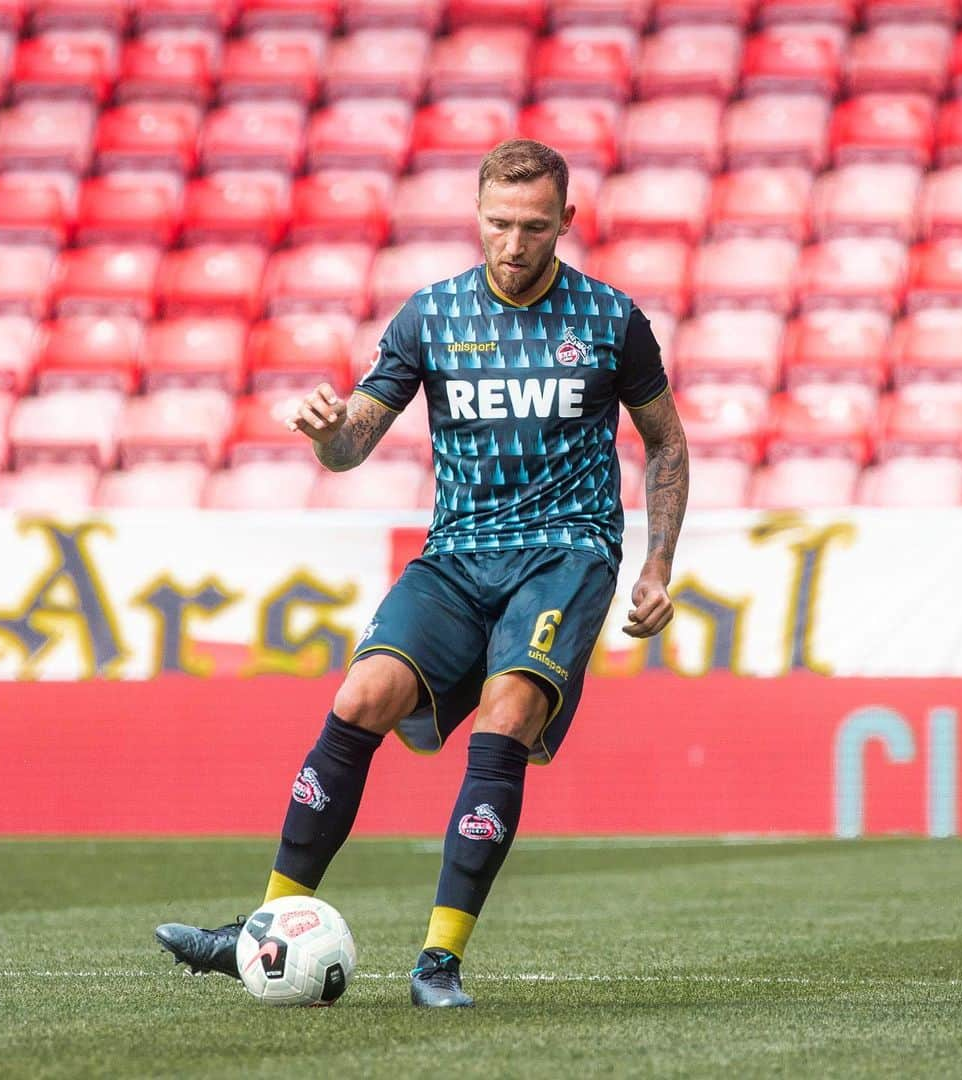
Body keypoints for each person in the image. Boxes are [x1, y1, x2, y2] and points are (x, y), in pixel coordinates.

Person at [155, 139, 689, 1008]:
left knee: (510, 708)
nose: (514, 244)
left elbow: (665, 439)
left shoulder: (611, 320)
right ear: (476, 214)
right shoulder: (431, 316)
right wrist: (328, 432)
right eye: (499, 224)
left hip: (567, 552)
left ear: (567, 223)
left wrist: (658, 564)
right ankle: (263, 929)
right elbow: (354, 443)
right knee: (361, 697)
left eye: (534, 226)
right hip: (457, 553)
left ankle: (438, 961)